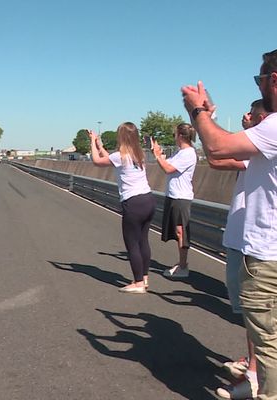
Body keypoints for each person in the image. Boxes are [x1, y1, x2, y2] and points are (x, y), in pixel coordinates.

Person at [181, 49, 277, 400]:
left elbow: (218, 148)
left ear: (274, 80)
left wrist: (197, 110)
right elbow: (221, 154)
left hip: (267, 254)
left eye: (259, 80)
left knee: (268, 343)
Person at [208, 100, 269, 399]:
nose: (246, 117)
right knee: (253, 316)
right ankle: (254, 368)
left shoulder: (262, 147)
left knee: (256, 315)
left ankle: (255, 376)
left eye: (253, 114)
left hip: (255, 244)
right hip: (246, 239)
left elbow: (216, 156)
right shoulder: (258, 147)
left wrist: (204, 117)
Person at [88, 122, 156, 294]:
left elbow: (97, 161)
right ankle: (144, 277)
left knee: (132, 242)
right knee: (143, 240)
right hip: (148, 199)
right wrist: (100, 146)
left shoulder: (121, 156)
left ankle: (138, 282)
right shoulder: (139, 155)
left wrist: (92, 141)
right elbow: (109, 159)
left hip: (133, 202)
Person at [152, 123, 197, 278]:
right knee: (177, 231)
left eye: (175, 134)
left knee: (181, 231)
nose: (174, 137)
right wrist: (159, 154)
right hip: (173, 195)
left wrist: (158, 156)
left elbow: (168, 169)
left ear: (180, 136)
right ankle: (181, 263)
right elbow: (168, 164)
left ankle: (183, 266)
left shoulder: (188, 153)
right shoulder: (180, 152)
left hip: (181, 197)